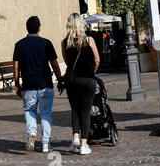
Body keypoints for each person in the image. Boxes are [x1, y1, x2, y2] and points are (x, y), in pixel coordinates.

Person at [13, 16, 62, 153]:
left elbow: (16, 67)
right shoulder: (46, 43)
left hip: (28, 86)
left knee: (29, 111)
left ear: (27, 28)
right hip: (45, 84)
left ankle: (32, 132)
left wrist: (17, 84)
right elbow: (55, 64)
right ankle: (46, 143)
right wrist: (60, 80)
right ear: (39, 28)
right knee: (46, 114)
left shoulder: (19, 45)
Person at [61, 13, 100, 155]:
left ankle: (75, 139)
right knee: (85, 112)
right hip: (88, 80)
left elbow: (67, 63)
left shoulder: (64, 43)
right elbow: (97, 60)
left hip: (72, 81)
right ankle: (84, 145)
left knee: (75, 110)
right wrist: (91, 72)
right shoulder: (89, 40)